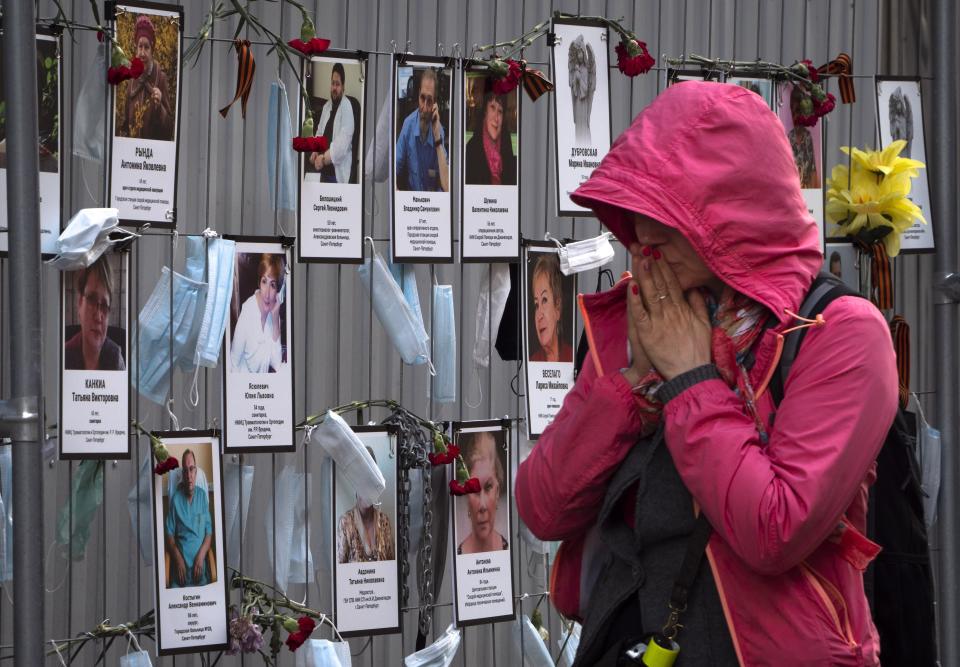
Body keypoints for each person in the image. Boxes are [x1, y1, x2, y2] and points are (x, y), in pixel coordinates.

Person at [515, 81, 897, 665]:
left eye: (665, 214)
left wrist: (691, 378)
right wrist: (630, 392)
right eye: (636, 210)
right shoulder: (645, 314)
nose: (643, 235)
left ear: (732, 216)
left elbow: (775, 529)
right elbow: (543, 507)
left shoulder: (840, 334)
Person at [117, 15, 174, 141]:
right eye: (140, 47)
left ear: (152, 49)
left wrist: (160, 108)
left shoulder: (161, 78)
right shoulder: (132, 79)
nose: (142, 53)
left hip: (152, 157)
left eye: (146, 47)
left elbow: (169, 129)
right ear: (136, 48)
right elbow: (125, 125)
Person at [64, 257, 125, 371]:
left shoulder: (116, 358)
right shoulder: (62, 358)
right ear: (80, 303)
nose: (98, 317)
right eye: (92, 300)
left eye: (104, 306)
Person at [336, 447, 395, 563]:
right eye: (361, 480)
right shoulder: (346, 523)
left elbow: (392, 567)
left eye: (370, 481)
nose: (366, 488)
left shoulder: (384, 522)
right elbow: (339, 571)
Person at [395, 68, 449, 192]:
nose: (424, 107)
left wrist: (437, 138)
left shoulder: (439, 130)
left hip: (433, 205)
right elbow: (394, 168)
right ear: (418, 94)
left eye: (429, 101)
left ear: (435, 102)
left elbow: (447, 186)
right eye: (422, 98)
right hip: (412, 203)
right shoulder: (408, 124)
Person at [165, 449, 213, 588]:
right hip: (180, 576)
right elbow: (169, 534)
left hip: (200, 575)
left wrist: (201, 555)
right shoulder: (176, 500)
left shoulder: (202, 497)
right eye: (185, 470)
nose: (188, 475)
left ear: (196, 472)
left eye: (191, 469)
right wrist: (178, 559)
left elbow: (208, 532)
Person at [457, 431, 509, 555]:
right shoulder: (458, 555)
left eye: (488, 487)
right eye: (474, 490)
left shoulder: (508, 550)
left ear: (497, 491)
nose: (482, 506)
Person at [231, 254, 284, 373]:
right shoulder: (248, 311)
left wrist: (276, 322)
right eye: (264, 281)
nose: (267, 293)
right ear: (259, 283)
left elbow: (276, 364)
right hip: (245, 386)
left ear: (277, 290)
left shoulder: (274, 315)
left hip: (263, 388)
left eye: (273, 285)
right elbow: (233, 363)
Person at [310, 63, 355, 183]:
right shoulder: (327, 106)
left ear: (343, 87)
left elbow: (342, 145)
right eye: (332, 83)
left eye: (338, 84)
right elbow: (319, 131)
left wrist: (324, 159)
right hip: (322, 170)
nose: (334, 88)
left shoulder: (347, 107)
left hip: (336, 174)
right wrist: (315, 151)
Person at [464, 83, 516, 186]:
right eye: (492, 107)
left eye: (500, 111)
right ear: (485, 112)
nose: (496, 118)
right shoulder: (471, 149)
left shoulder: (507, 146)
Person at [529, 254, 573, 363]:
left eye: (544, 300)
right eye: (536, 305)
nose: (539, 315)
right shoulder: (533, 362)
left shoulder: (572, 358)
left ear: (557, 307)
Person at [787, 85, 819, 189]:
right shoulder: (787, 139)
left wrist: (815, 196)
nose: (795, 116)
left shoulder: (807, 137)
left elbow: (813, 170)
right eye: (793, 111)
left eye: (798, 111)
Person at [568, 34, 596, 144]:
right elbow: (575, 91)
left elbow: (585, 91)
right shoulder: (576, 70)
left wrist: (580, 79)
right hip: (578, 103)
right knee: (578, 128)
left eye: (580, 53)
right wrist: (576, 78)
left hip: (584, 105)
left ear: (584, 53)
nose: (579, 55)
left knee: (584, 126)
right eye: (577, 53)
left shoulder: (586, 70)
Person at [888, 86, 914, 157]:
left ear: (901, 103)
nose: (897, 106)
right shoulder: (895, 118)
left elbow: (907, 133)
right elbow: (893, 133)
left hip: (904, 147)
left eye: (899, 103)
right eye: (896, 104)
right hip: (897, 148)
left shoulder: (905, 118)